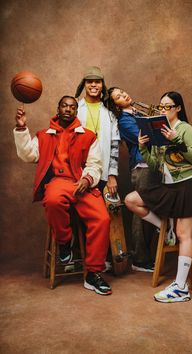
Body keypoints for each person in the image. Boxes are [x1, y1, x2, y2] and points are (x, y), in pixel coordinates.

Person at [13, 95, 112, 296]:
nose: (68, 109)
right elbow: (28, 155)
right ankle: (65, 242)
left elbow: (95, 164)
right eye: (64, 106)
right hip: (59, 182)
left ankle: (93, 273)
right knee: (53, 200)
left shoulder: (88, 135)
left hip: (81, 182)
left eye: (72, 107)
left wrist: (87, 180)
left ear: (76, 111)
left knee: (102, 219)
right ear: (58, 109)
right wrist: (22, 128)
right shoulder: (44, 135)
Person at [124, 91, 192, 302]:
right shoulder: (158, 131)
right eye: (161, 107)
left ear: (178, 108)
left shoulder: (185, 129)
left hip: (186, 186)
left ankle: (180, 287)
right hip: (168, 187)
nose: (163, 110)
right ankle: (164, 226)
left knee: (183, 234)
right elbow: (155, 165)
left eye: (168, 106)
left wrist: (176, 140)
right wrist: (143, 146)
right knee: (131, 200)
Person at [105, 87, 176, 272]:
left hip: (155, 165)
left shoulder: (137, 112)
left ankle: (145, 254)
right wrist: (158, 124)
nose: (124, 95)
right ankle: (140, 259)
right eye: (118, 97)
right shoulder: (124, 120)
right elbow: (146, 138)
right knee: (141, 210)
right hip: (142, 166)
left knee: (147, 207)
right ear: (115, 105)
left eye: (123, 92)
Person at [75, 66, 120, 196]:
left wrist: (112, 175)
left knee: (106, 213)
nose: (93, 85)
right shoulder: (75, 109)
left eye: (97, 81)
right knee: (77, 213)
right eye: (89, 81)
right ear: (84, 84)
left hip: (104, 174)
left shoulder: (110, 112)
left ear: (102, 85)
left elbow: (114, 146)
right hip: (78, 173)